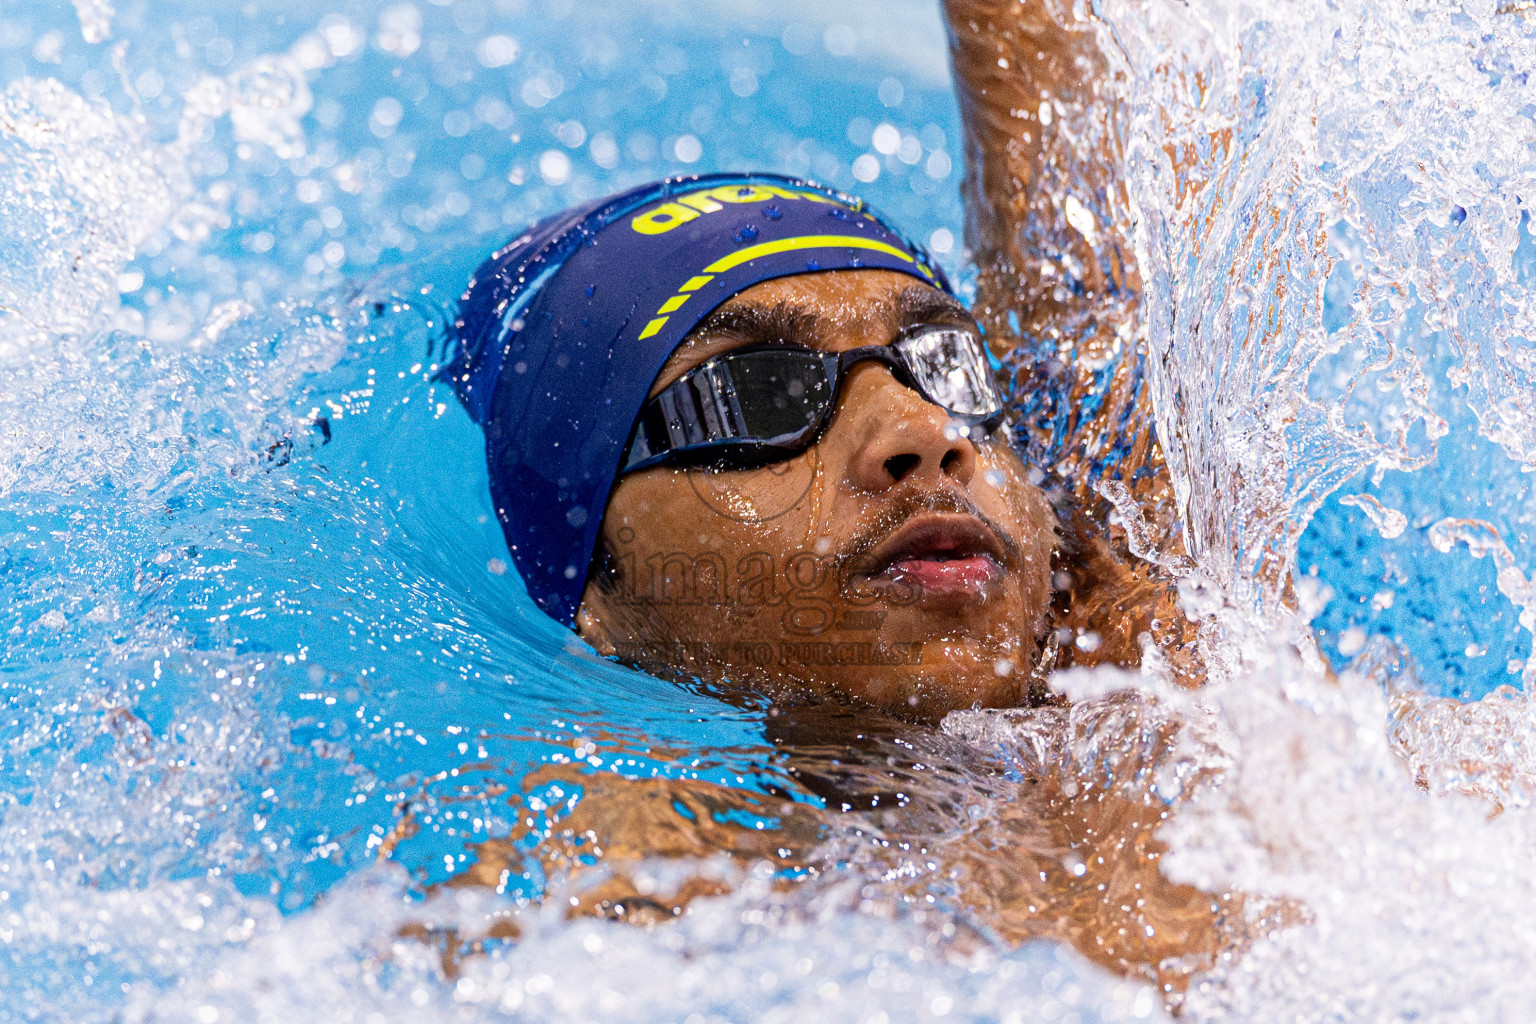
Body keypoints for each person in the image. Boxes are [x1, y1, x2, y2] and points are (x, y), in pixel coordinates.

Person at [424, 0, 1239, 1001]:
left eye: (947, 365)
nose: (924, 435)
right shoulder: (607, 899)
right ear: (599, 586)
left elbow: (1096, 276)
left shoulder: (1166, 654)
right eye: (760, 391)